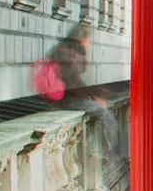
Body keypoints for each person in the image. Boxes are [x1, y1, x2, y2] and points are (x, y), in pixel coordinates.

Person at [49, 23, 122, 163]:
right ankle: (109, 153)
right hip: (72, 100)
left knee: (102, 115)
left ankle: (105, 151)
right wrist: (94, 96)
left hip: (67, 98)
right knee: (105, 115)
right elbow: (73, 83)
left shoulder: (65, 49)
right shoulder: (71, 52)